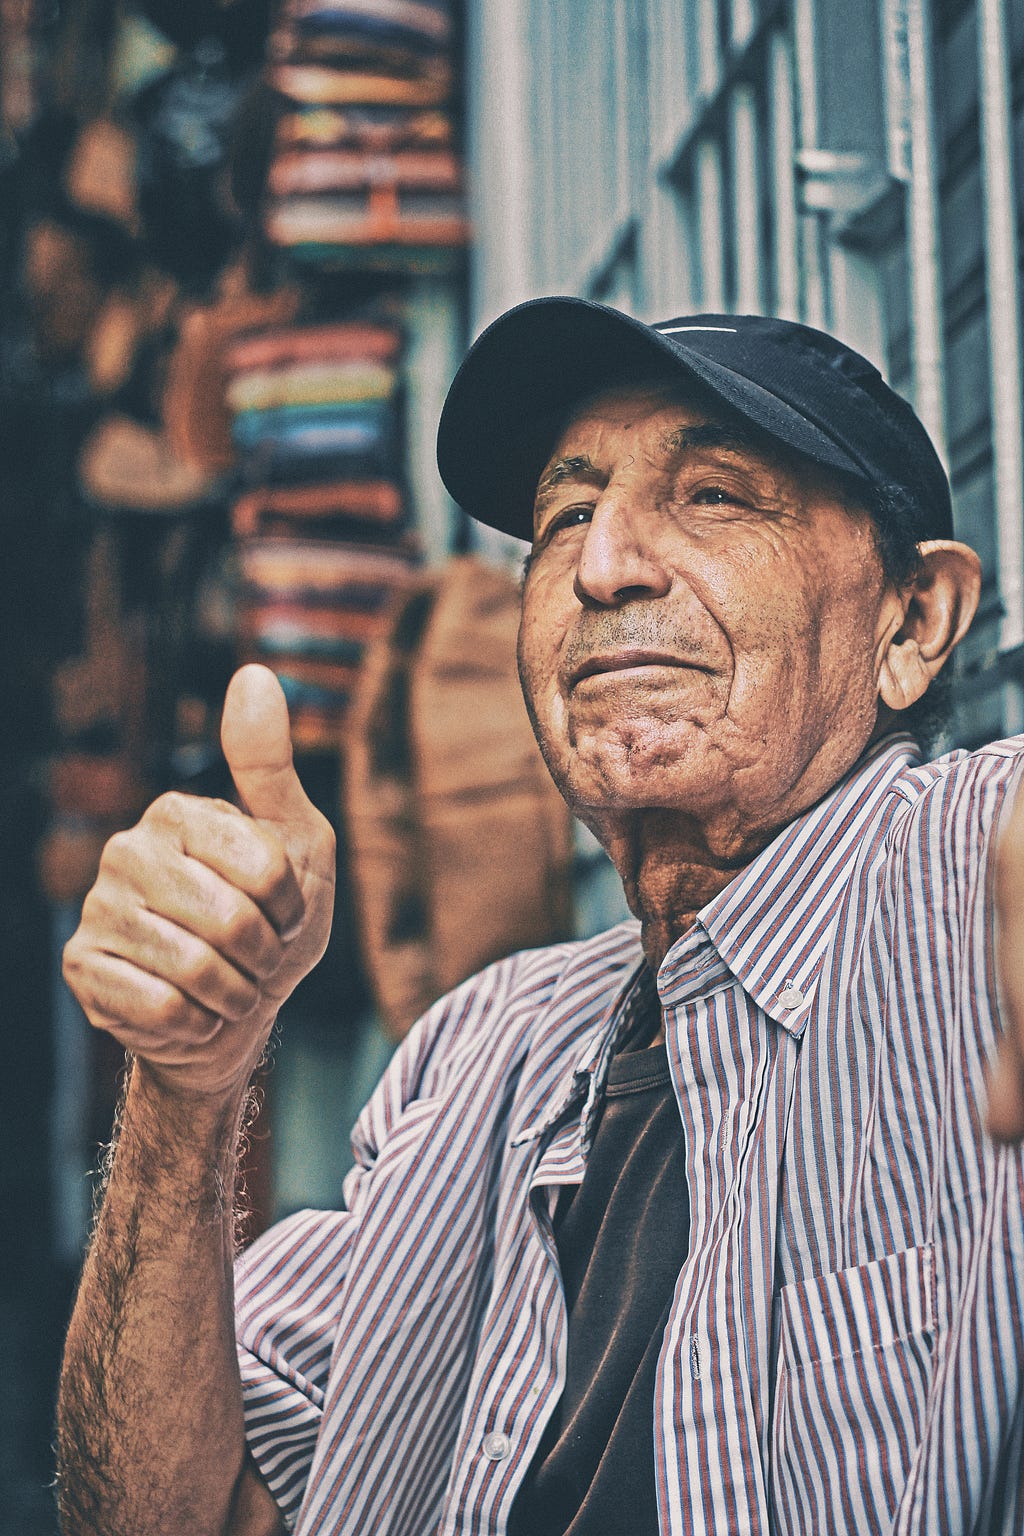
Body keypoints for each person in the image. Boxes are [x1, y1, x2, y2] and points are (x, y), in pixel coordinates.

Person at [56, 298, 1024, 1536]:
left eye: (718, 497)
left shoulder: (963, 881)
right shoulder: (478, 1056)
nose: (605, 563)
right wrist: (187, 1092)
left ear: (913, 623)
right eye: (564, 516)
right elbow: (162, 1518)